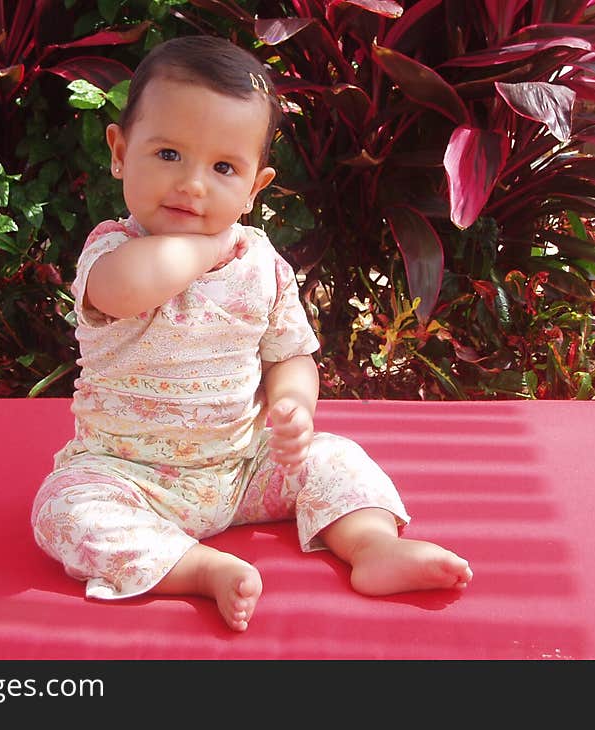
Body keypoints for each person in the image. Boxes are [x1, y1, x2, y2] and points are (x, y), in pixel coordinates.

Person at [32, 35, 472, 632]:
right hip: (127, 473)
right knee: (63, 510)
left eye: (222, 168)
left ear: (254, 188)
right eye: (168, 155)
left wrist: (293, 407)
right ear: (119, 150)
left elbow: (290, 356)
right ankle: (196, 567)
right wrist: (215, 242)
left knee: (336, 457)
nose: (192, 184)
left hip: (242, 470)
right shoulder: (112, 250)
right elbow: (132, 288)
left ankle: (372, 546)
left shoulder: (263, 267)